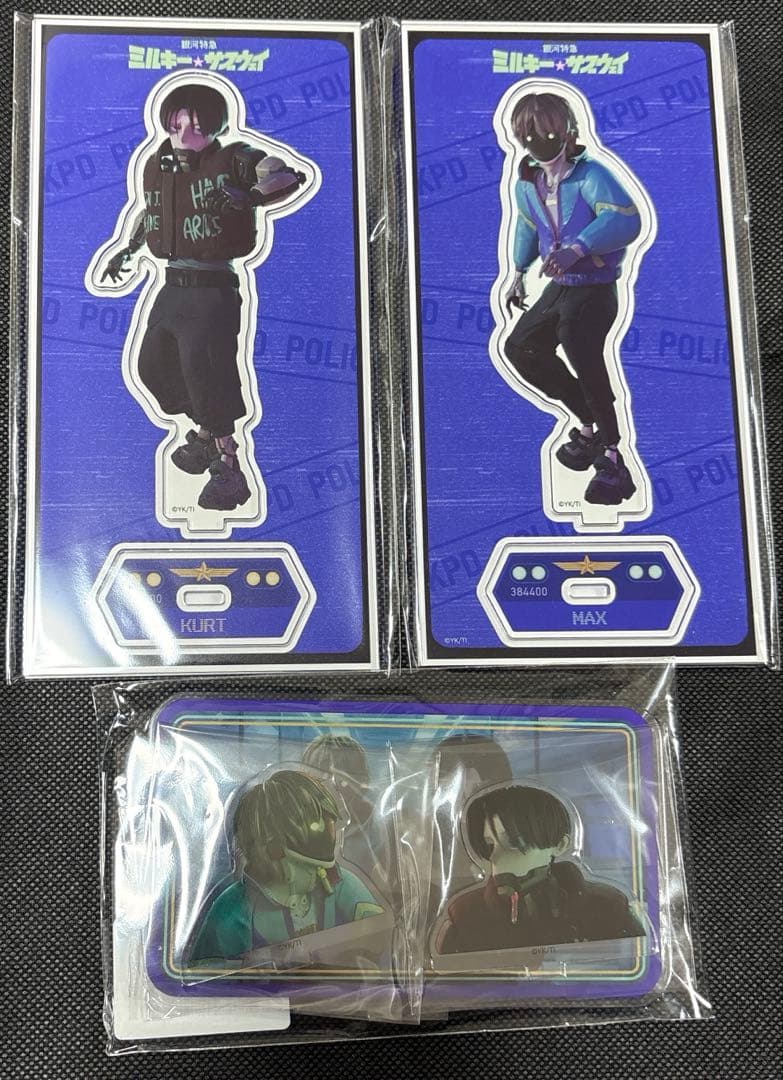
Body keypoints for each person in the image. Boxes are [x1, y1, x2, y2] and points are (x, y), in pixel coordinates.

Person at [99, 81, 308, 512]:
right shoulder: (160, 166)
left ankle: (230, 467)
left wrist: (248, 196)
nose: (183, 134)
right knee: (151, 366)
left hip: (212, 289)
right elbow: (153, 210)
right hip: (171, 285)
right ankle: (207, 434)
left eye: (194, 125)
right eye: (176, 124)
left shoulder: (234, 159)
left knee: (207, 374)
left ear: (213, 125)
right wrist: (128, 249)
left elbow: (286, 175)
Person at [502, 91, 643, 506]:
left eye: (548, 136)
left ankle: (612, 456)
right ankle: (587, 423)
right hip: (560, 286)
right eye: (529, 138)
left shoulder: (590, 175)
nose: (539, 146)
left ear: (566, 133)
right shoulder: (529, 184)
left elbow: (625, 218)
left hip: (595, 286)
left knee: (581, 350)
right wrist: (517, 272)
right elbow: (527, 227)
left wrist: (579, 247)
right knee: (521, 347)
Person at [189, 770, 384, 962]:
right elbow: (206, 975)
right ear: (273, 850)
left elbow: (383, 937)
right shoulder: (232, 911)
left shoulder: (339, 884)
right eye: (305, 867)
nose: (318, 872)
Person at [435, 783, 645, 954]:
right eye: (490, 845)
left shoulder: (607, 908)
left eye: (514, 843)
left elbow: (637, 961)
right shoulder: (466, 917)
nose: (495, 857)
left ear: (560, 845)